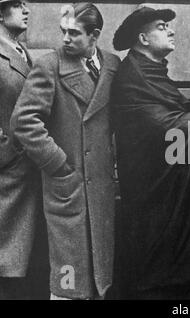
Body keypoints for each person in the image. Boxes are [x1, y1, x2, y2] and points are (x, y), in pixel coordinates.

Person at [10, 2, 120, 300]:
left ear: (94, 35)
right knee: (69, 280)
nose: (66, 39)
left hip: (101, 189)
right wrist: (58, 164)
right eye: (63, 32)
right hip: (67, 187)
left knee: (101, 278)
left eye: (74, 33)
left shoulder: (112, 65)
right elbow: (24, 122)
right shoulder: (50, 65)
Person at [111, 6, 190, 299]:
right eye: (161, 26)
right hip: (152, 198)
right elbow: (160, 128)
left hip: (169, 193)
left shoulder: (153, 73)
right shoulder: (132, 75)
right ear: (143, 38)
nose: (171, 30)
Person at [0, 0, 48, 299]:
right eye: (18, 5)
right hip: (8, 178)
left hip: (28, 176)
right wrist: (9, 155)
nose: (26, 10)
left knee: (24, 269)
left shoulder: (23, 53)